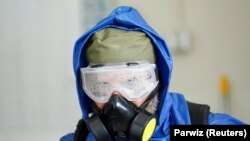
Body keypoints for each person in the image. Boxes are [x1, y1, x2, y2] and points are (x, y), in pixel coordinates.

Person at [60, 6, 245, 141]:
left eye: (131, 82)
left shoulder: (205, 128)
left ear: (158, 82)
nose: (116, 100)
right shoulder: (78, 138)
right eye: (101, 85)